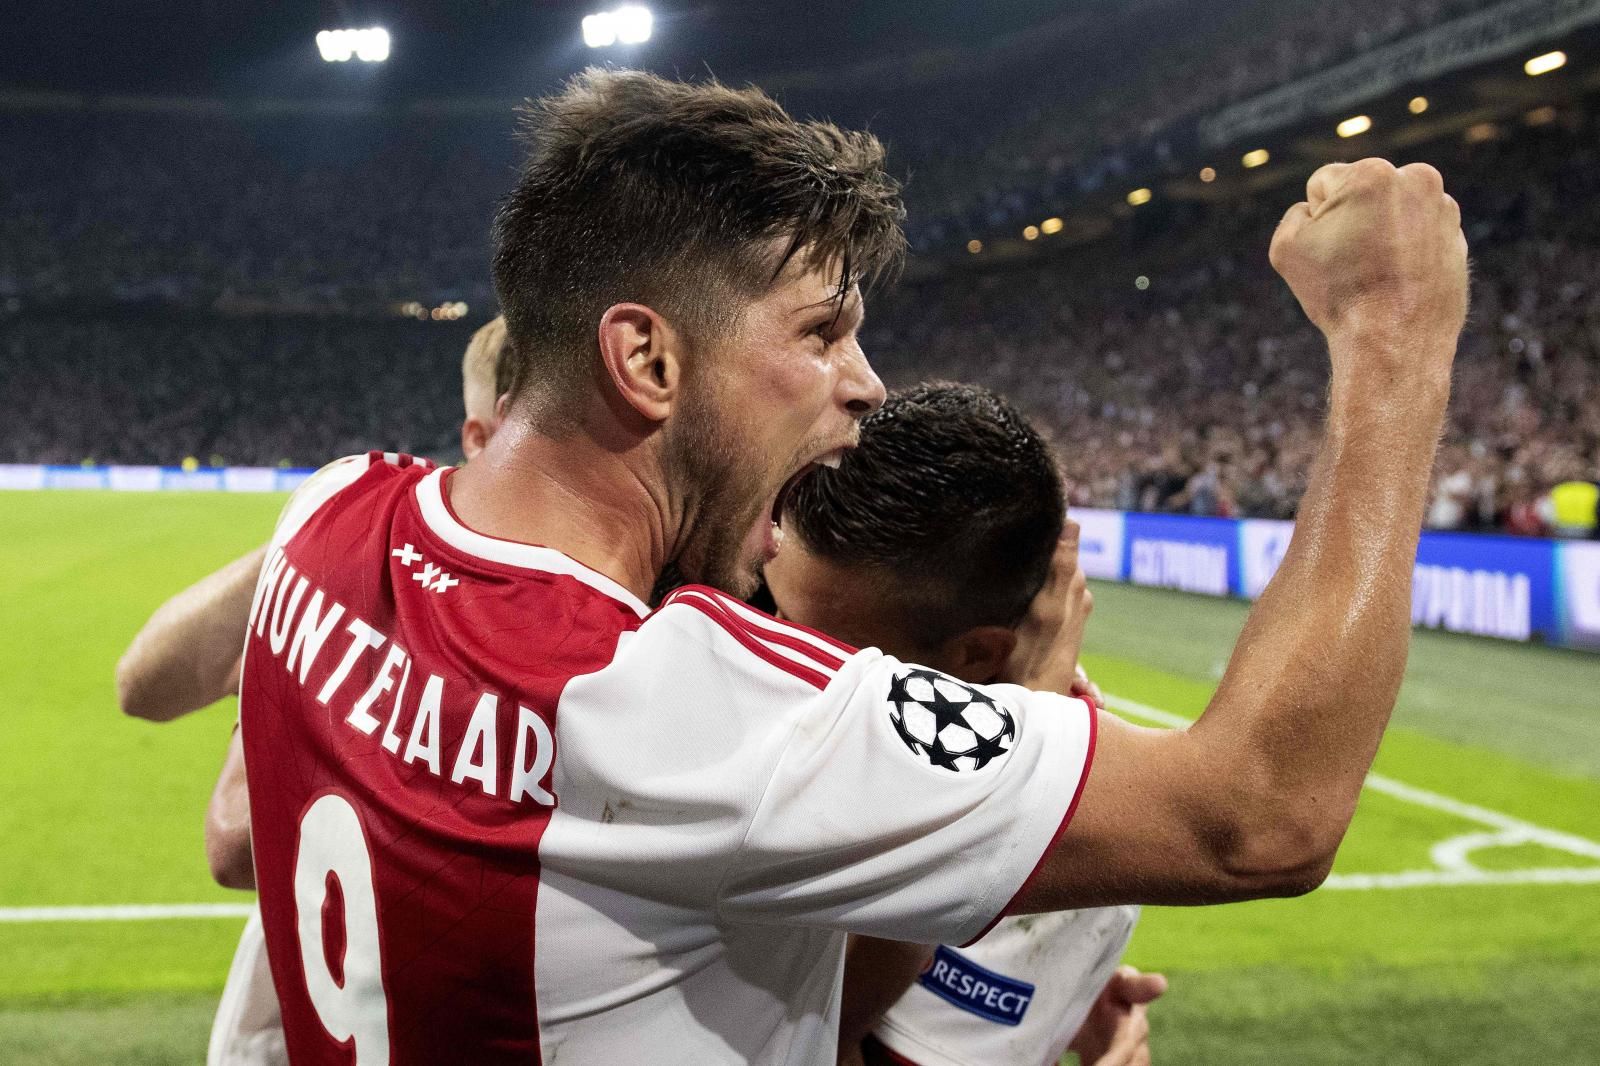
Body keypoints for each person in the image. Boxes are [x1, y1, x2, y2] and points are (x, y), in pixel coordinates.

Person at [143, 67, 1469, 1063]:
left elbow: (177, 725)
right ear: (646, 359)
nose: (866, 382)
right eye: (823, 331)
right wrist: (1393, 337)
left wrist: (1008, 987)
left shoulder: (333, 513)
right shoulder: (694, 708)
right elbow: (1264, 813)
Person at [116, 314, 512, 1066]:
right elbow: (142, 685)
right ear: (480, 438)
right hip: (306, 1019)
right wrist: (313, 540)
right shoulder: (367, 550)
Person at [762, 381, 1167, 1066]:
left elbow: (826, 1044)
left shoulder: (1060, 830)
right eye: (770, 604)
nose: (767, 648)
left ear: (977, 656)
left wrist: (1014, 761)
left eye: (823, 643)